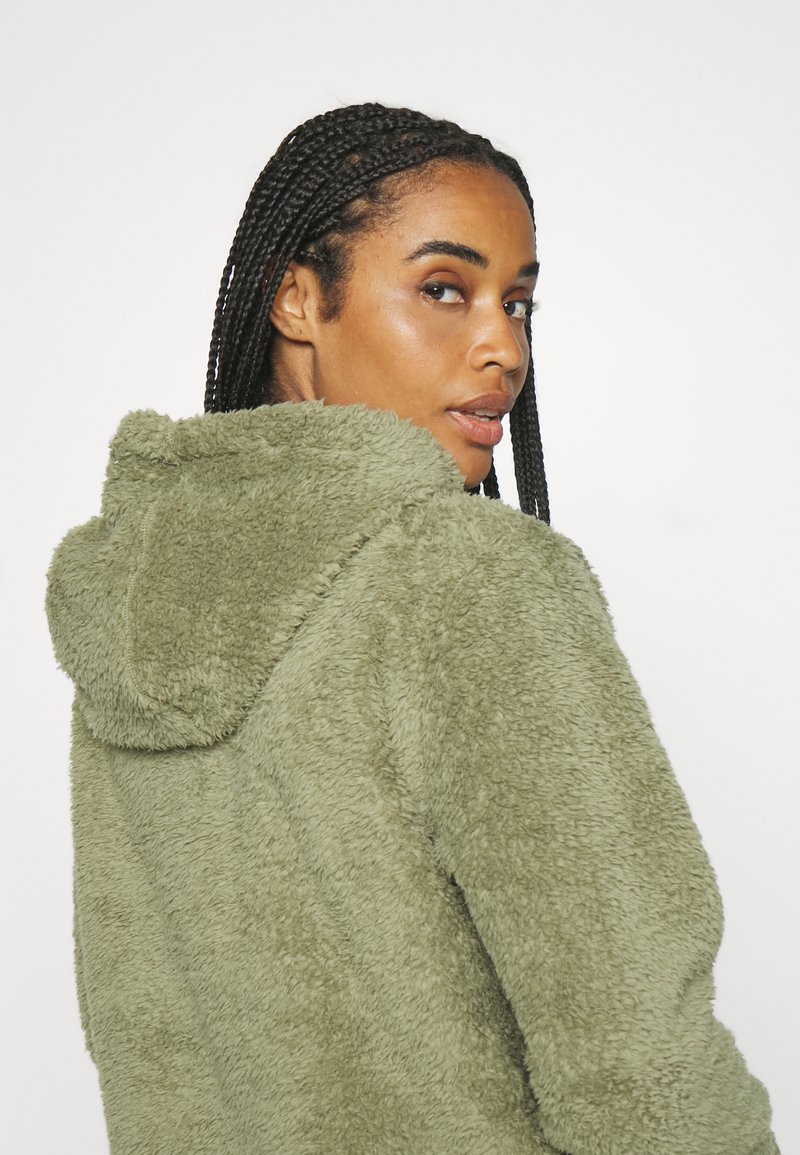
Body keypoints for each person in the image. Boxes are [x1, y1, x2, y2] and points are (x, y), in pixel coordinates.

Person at [45, 102, 780, 1154]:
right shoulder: (467, 579)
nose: (502, 347)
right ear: (297, 300)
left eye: (517, 304)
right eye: (444, 289)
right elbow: (634, 1050)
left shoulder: (139, 594)